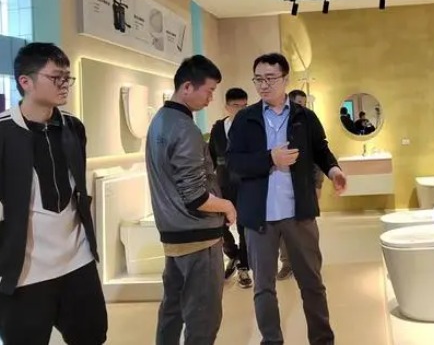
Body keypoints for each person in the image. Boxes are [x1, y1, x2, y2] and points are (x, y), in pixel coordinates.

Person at [227, 53, 347, 345]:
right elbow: (234, 163)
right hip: (260, 217)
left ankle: (322, 340)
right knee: (263, 288)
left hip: (299, 213)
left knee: (312, 283)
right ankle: (271, 340)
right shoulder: (245, 119)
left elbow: (321, 149)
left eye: (270, 78)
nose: (263, 85)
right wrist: (270, 158)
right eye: (258, 79)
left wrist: (334, 171)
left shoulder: (304, 117)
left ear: (285, 79)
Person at [0, 43, 108, 344]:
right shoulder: (5, 132)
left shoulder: (73, 127)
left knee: (92, 336)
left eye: (67, 78)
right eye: (55, 77)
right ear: (25, 81)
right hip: (25, 271)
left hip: (77, 260)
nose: (64, 84)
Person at [146, 55, 237, 345]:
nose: (211, 98)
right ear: (187, 87)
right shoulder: (185, 129)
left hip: (174, 236)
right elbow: (196, 196)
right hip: (198, 238)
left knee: (172, 311)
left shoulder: (160, 121)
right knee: (203, 318)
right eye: (209, 90)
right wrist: (227, 206)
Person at [276, 90, 327, 281]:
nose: (302, 106)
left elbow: (319, 156)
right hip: (281, 189)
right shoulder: (277, 126)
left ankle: (312, 267)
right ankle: (287, 264)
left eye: (304, 103)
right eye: (299, 102)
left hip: (304, 187)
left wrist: (318, 184)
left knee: (307, 230)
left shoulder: (308, 122)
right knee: (283, 231)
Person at [208, 87, 253, 288]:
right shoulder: (218, 128)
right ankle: (232, 254)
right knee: (219, 225)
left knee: (244, 228)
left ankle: (243, 267)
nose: (241, 110)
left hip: (245, 185)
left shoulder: (252, 129)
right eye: (236, 106)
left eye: (245, 106)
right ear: (227, 107)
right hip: (223, 185)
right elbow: (211, 158)